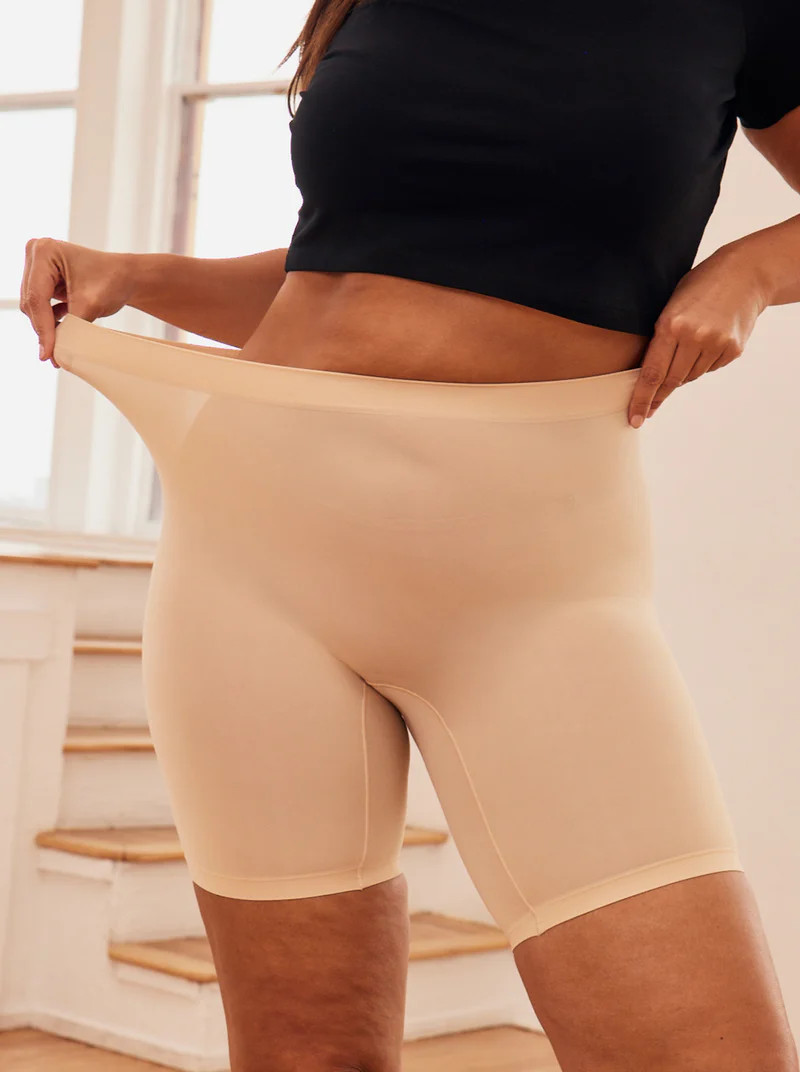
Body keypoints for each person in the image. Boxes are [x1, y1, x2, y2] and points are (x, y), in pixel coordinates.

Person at [20, 1, 800, 1069]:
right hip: (254, 557)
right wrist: (137, 277)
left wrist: (747, 274)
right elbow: (343, 280)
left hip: (528, 588)